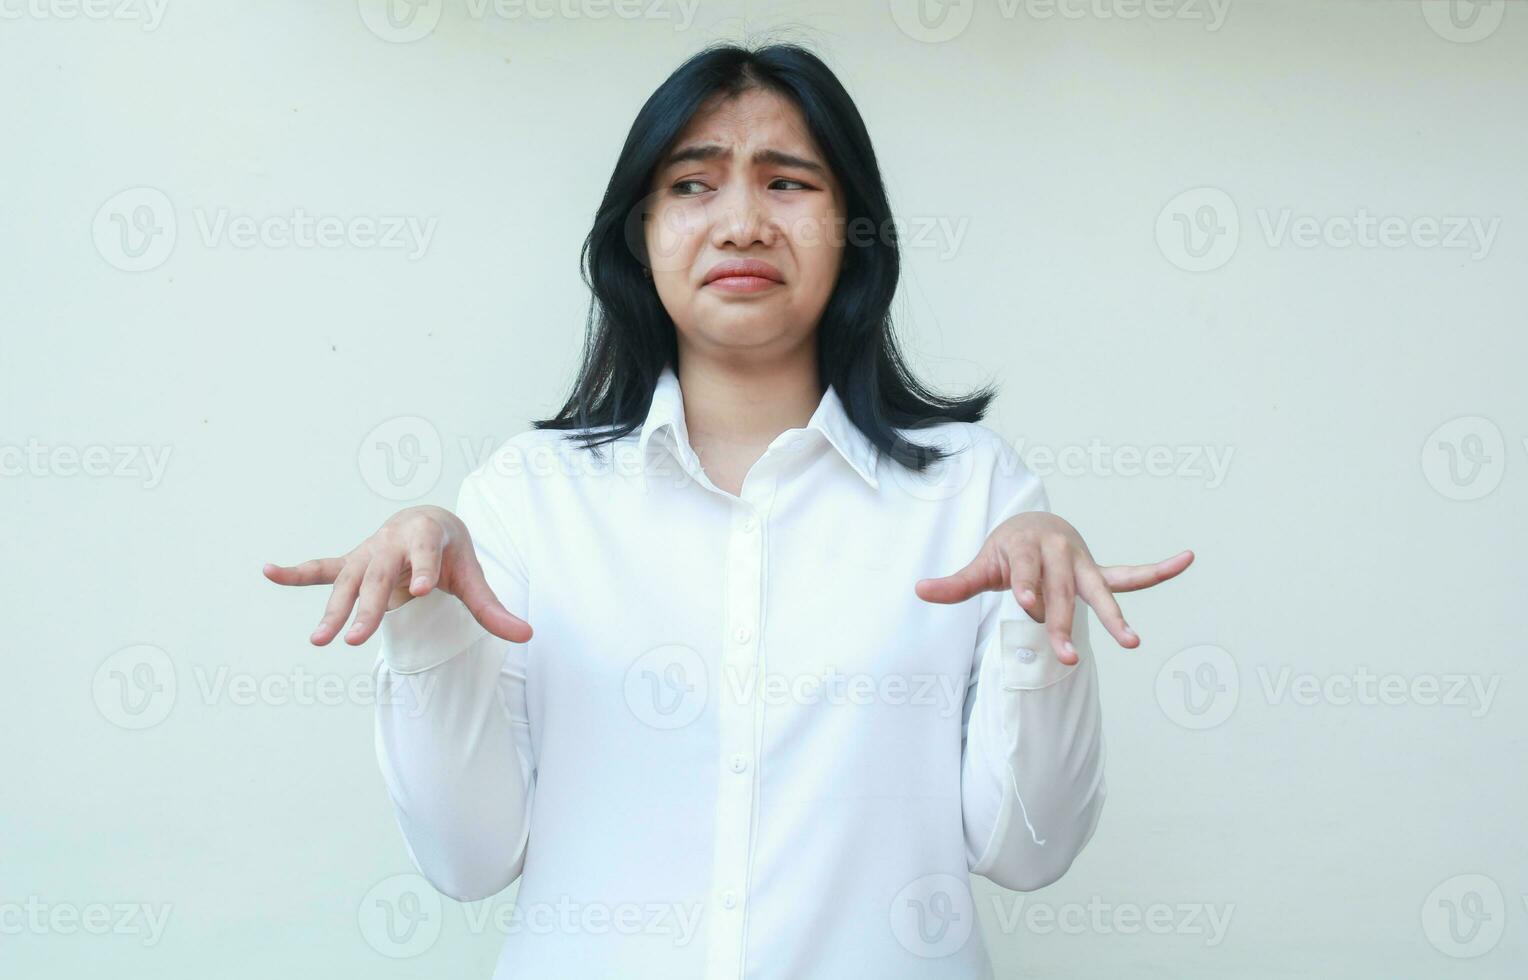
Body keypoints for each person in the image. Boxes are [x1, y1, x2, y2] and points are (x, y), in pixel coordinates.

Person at [265, 41, 1191, 980]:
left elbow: (1028, 854)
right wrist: (429, 618)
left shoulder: (975, 493)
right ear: (640, 231)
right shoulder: (527, 496)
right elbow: (467, 862)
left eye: (788, 184)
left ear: (855, 229)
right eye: (693, 186)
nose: (742, 223)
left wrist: (1039, 623)